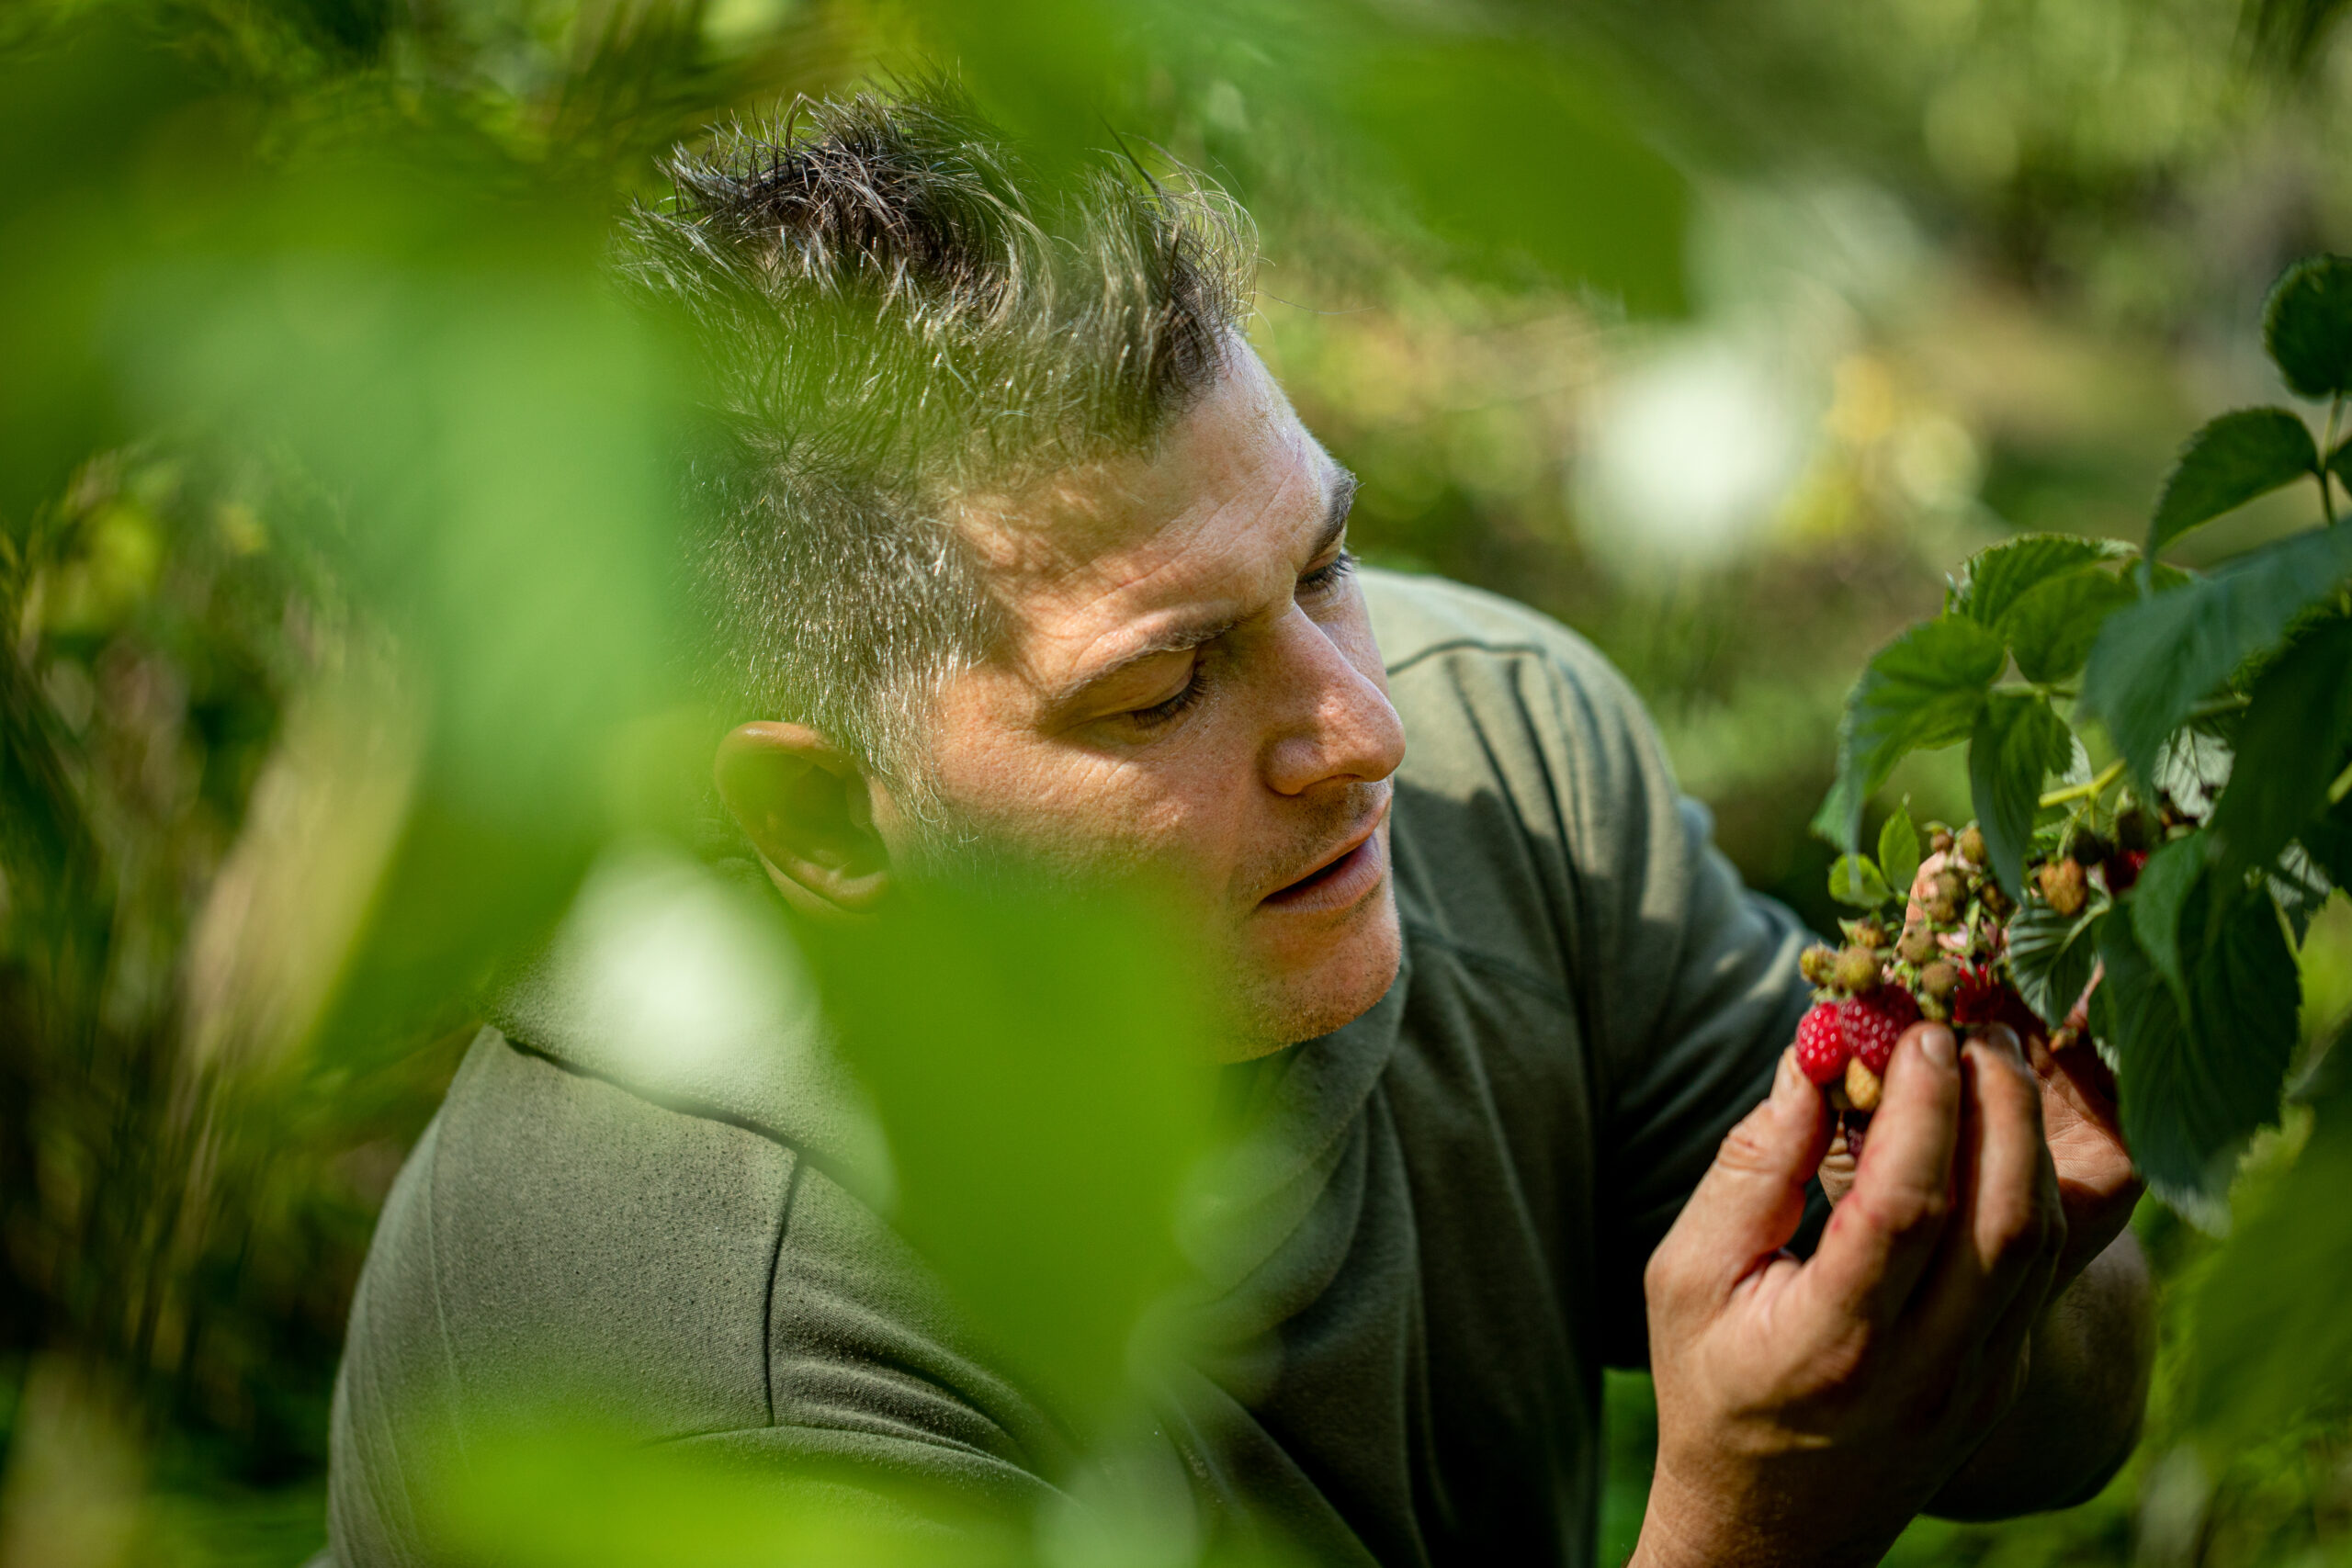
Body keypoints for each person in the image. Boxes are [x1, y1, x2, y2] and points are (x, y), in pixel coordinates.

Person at [323, 88, 2153, 1567]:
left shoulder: (1495, 758)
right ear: (821, 811)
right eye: (1162, 683)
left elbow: (2054, 1421)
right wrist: (1738, 1534)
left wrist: (1975, 1246)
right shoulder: (724, 1357)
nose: (1359, 731)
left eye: (1323, 560)